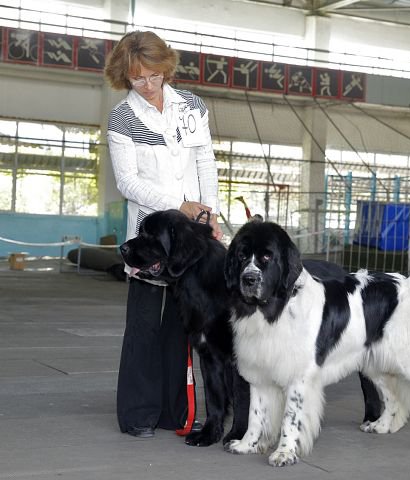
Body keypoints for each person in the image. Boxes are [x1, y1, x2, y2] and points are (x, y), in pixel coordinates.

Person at [104, 30, 222, 438]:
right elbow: (127, 182)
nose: (149, 85)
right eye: (138, 78)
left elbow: (206, 160)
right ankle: (137, 414)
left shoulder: (192, 105)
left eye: (154, 75)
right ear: (125, 76)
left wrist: (211, 211)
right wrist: (179, 202)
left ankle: (175, 413)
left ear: (166, 67)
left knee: (182, 323)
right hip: (149, 236)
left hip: (191, 236)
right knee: (143, 324)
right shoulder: (123, 117)